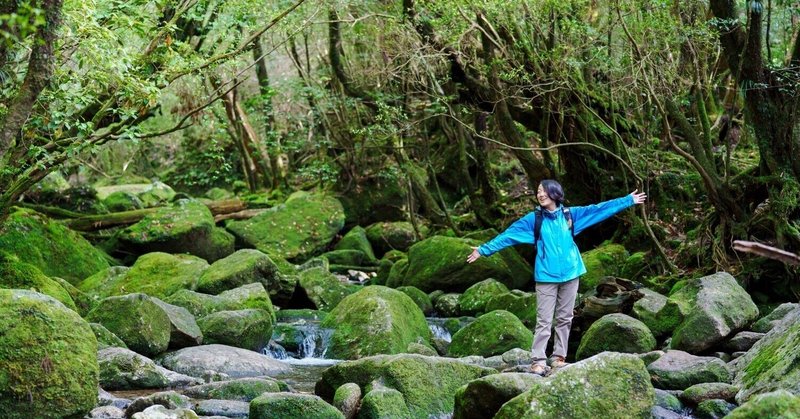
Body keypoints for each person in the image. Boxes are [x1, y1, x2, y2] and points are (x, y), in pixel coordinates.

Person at [466, 180, 647, 376]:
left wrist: (627, 200)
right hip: (546, 277)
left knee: (566, 318)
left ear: (555, 193)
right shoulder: (533, 220)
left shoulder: (570, 215)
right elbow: (508, 235)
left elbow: (598, 210)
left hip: (571, 273)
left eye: (544, 191)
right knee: (544, 320)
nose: (540, 195)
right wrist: (484, 250)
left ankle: (559, 358)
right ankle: (538, 361)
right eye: (538, 192)